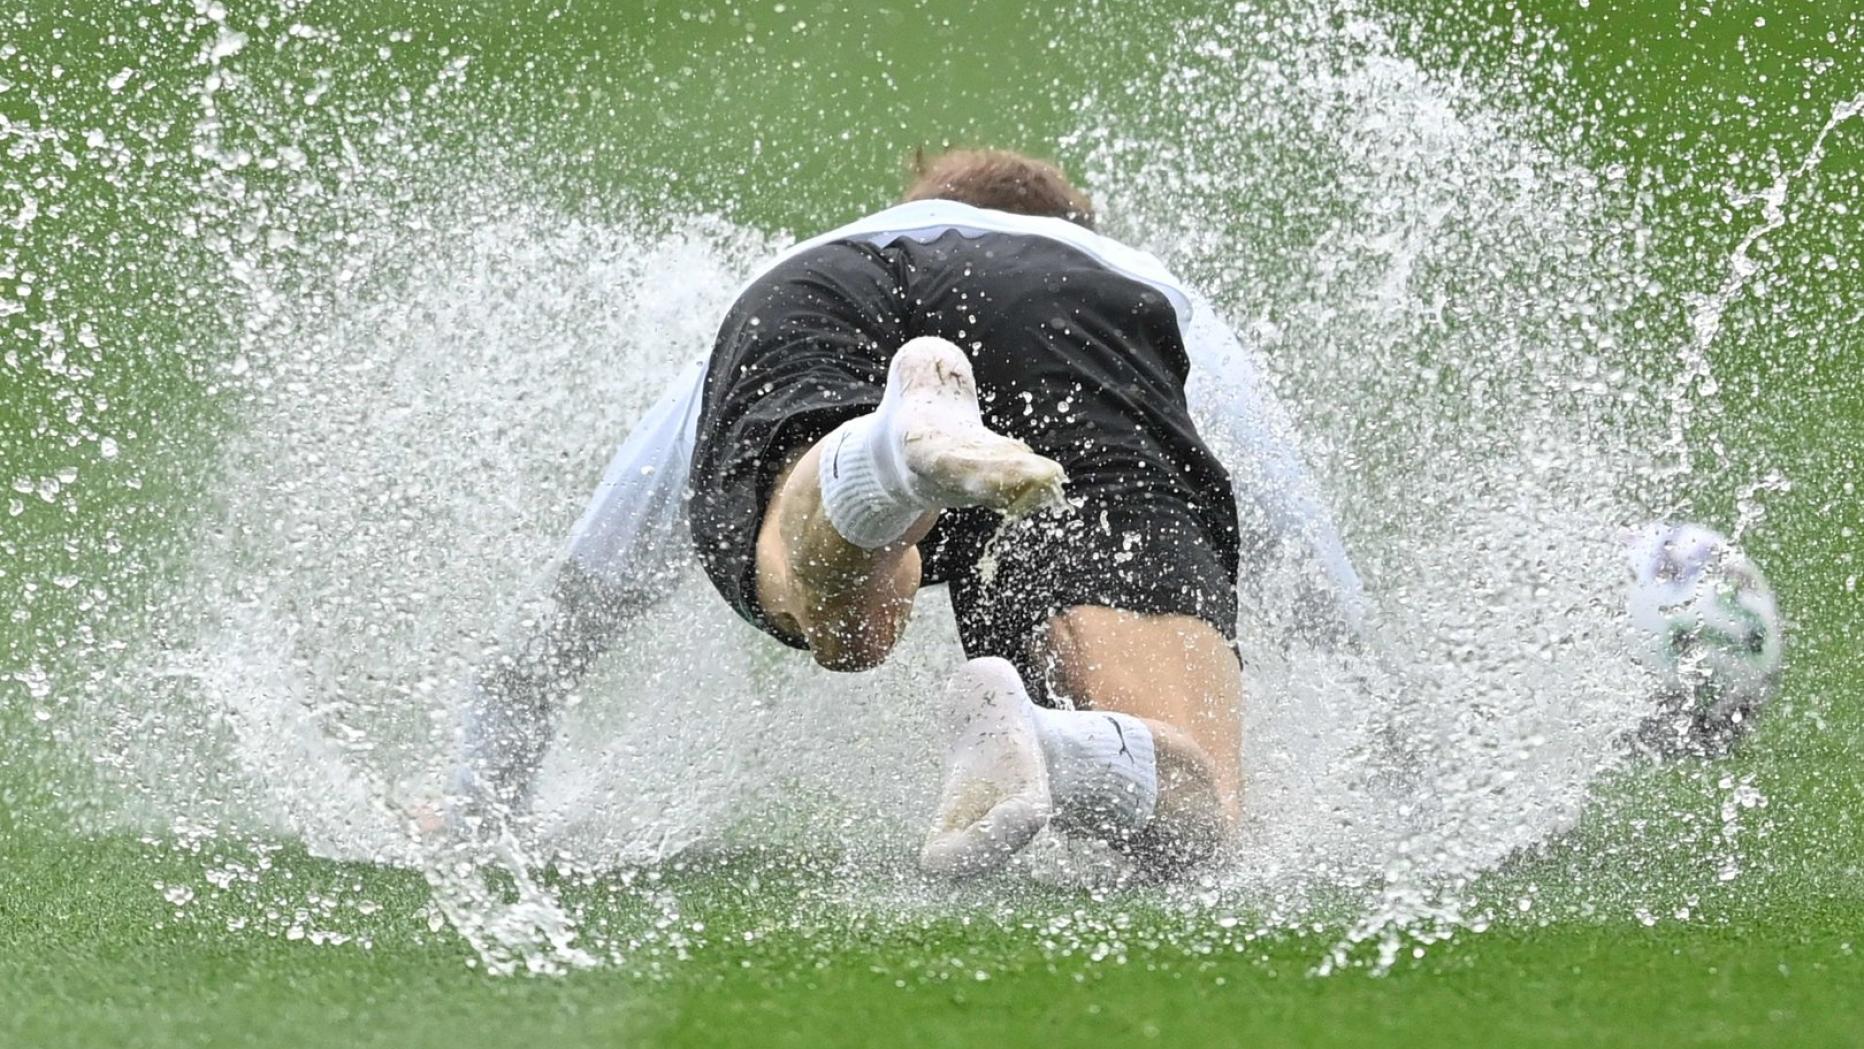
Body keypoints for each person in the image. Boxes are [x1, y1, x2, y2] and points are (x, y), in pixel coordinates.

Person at [447, 149, 1366, 878]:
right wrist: (1407, 772)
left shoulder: (826, 250)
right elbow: (1326, 585)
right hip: (1074, 320)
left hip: (819, 291)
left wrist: (476, 798)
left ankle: (879, 456)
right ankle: (1056, 744)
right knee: (1198, 805)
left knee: (842, 615)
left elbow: (565, 614)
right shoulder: (1134, 276)